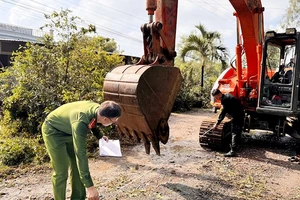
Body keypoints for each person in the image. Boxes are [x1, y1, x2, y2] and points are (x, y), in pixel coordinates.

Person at [42, 100, 122, 200]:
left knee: (77, 167)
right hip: (53, 131)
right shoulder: (80, 121)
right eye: (114, 121)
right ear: (105, 119)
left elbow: (93, 122)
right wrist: (90, 187)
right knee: (61, 171)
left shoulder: (98, 110)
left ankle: (78, 198)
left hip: (70, 130)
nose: (115, 123)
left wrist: (100, 136)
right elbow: (80, 153)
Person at [211, 89, 245, 157]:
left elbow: (223, 113)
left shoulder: (225, 99)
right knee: (238, 131)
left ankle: (233, 151)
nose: (216, 99)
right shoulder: (227, 95)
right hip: (240, 114)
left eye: (216, 97)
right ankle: (237, 146)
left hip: (237, 116)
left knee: (234, 132)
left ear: (219, 94)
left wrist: (217, 123)